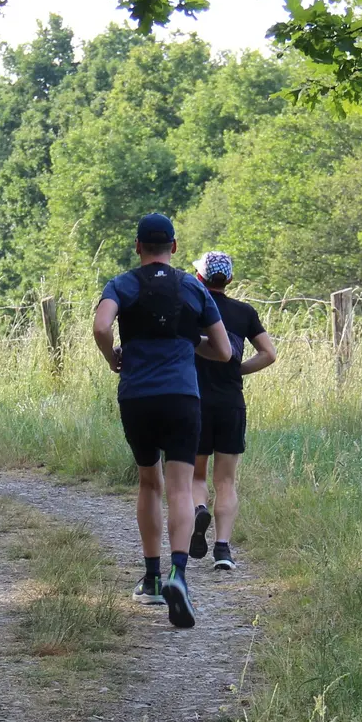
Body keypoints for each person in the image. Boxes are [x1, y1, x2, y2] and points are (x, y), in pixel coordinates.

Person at [92, 213, 231, 629]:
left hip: (137, 396)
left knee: (148, 483)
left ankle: (151, 579)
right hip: (182, 398)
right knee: (180, 488)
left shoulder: (122, 284)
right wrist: (191, 341)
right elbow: (224, 351)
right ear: (174, 246)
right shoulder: (193, 286)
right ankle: (179, 574)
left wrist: (112, 353)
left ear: (138, 247)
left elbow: (101, 326)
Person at [187, 251, 276, 570]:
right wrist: (237, 370)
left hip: (193, 402)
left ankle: (199, 509)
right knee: (226, 481)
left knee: (196, 475)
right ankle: (222, 550)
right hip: (230, 403)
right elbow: (268, 354)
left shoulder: (190, 310)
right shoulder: (244, 312)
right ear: (230, 280)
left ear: (199, 277)